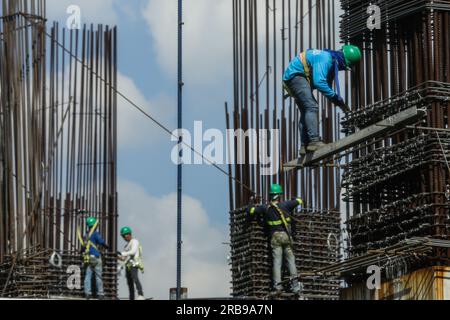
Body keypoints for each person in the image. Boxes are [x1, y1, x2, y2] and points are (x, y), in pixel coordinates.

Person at [283, 45, 362, 155]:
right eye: (344, 66)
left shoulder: (329, 60)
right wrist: (336, 98)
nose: (342, 68)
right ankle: (314, 141)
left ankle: (304, 146)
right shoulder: (326, 58)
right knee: (311, 107)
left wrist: (337, 101)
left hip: (295, 77)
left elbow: (326, 86)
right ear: (344, 60)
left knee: (306, 110)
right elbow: (319, 82)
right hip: (297, 76)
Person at [248, 184, 304, 293]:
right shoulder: (287, 205)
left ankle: (278, 286)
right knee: (291, 261)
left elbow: (250, 211)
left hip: (275, 238)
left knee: (277, 262)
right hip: (286, 237)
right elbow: (300, 201)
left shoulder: (265, 208)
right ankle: (295, 287)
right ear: (279, 196)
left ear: (270, 195)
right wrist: (293, 198)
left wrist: (251, 202)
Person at [80, 217, 108, 300]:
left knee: (88, 276)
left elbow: (82, 248)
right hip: (96, 258)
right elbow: (101, 242)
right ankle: (100, 294)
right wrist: (106, 246)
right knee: (98, 276)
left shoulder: (85, 236)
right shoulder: (95, 233)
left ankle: (87, 293)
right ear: (95, 225)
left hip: (88, 259)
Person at [118, 227, 145, 300]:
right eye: (123, 236)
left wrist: (122, 253)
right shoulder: (126, 246)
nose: (124, 237)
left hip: (134, 264)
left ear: (129, 234)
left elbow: (133, 252)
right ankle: (131, 297)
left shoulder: (134, 241)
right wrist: (117, 256)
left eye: (125, 235)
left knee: (135, 278)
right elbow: (124, 259)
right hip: (128, 265)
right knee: (129, 283)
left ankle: (140, 294)